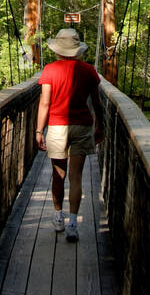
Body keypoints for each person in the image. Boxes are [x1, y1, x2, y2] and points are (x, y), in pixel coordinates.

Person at [35, 27, 104, 242]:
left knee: (58, 175)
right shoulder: (89, 71)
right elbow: (97, 102)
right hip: (82, 127)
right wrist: (100, 125)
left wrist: (39, 130)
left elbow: (45, 103)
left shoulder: (49, 70)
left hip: (56, 127)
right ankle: (73, 223)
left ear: (57, 49)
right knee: (76, 177)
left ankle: (58, 216)